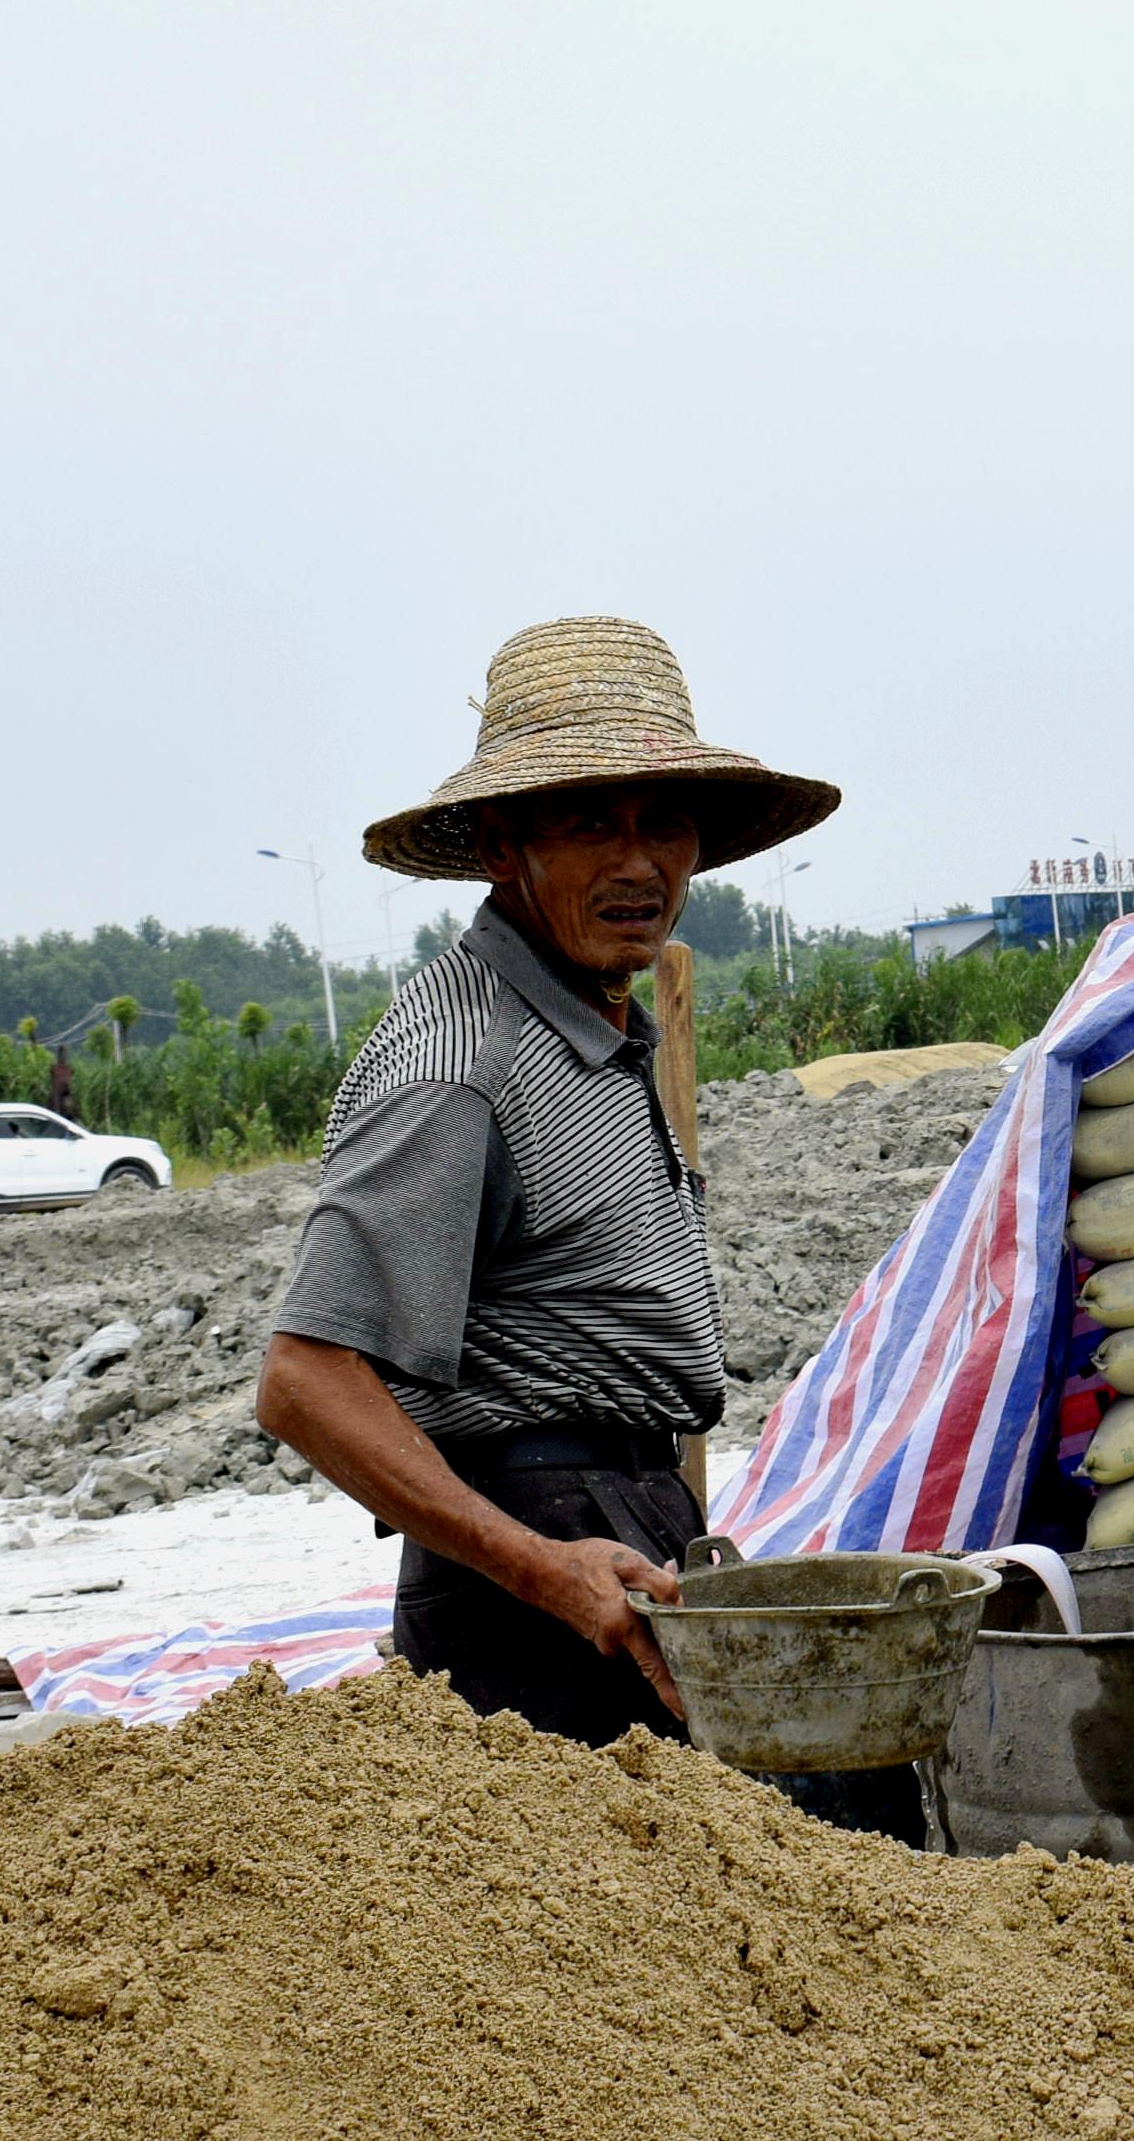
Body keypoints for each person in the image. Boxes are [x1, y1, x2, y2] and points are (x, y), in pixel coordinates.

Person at [252, 617, 890, 1811]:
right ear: (502, 844)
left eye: (664, 821)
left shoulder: (591, 1030)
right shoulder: (461, 1062)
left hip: (620, 1518)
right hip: (532, 1556)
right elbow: (306, 1380)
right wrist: (546, 1572)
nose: (638, 861)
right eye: (592, 820)